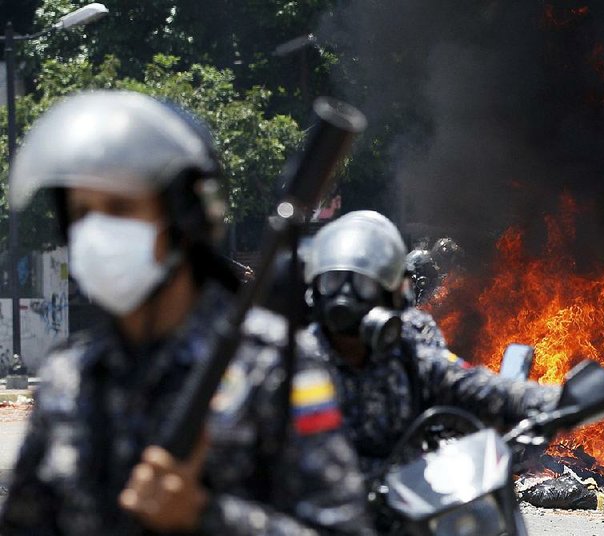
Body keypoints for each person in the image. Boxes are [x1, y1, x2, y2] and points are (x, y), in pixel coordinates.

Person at [0, 90, 371, 535]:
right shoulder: (68, 376)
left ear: (183, 218)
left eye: (121, 207)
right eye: (81, 213)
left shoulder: (274, 367)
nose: (96, 231)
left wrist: (207, 516)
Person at [300, 210, 560, 479]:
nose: (345, 298)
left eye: (363, 285)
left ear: (391, 297)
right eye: (332, 281)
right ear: (314, 292)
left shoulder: (407, 355)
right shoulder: (287, 363)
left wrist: (556, 400)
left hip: (400, 505)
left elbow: (469, 384)